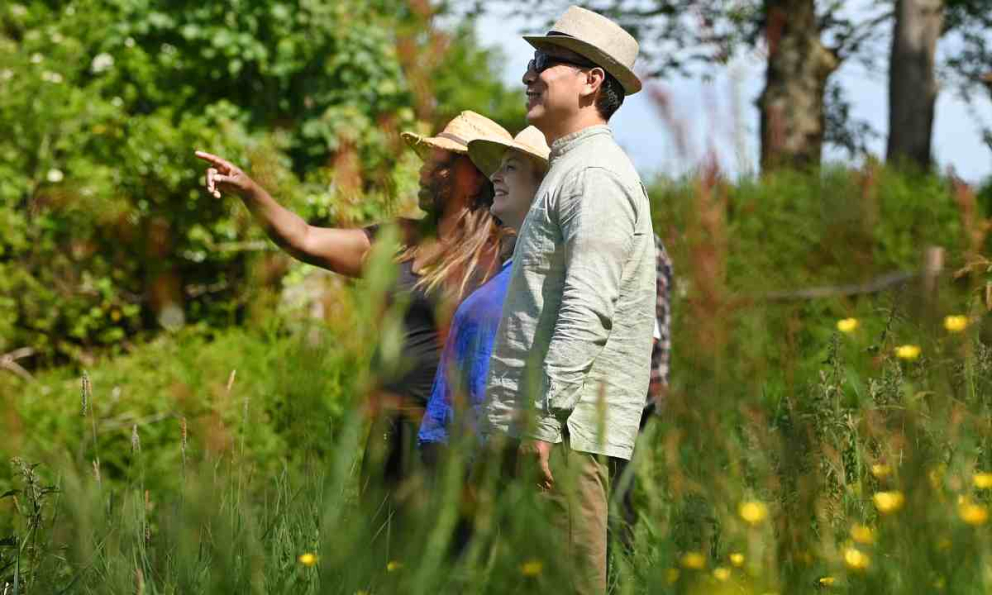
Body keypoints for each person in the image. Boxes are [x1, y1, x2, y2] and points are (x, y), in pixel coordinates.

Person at [193, 110, 513, 510]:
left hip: (454, 438)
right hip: (389, 433)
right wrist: (248, 190)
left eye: (440, 164)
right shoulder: (401, 240)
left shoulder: (503, 253)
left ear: (474, 177)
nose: (424, 172)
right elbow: (304, 238)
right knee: (380, 545)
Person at [481, 6, 655, 594]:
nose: (529, 74)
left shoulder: (595, 175)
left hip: (563, 436)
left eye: (545, 61)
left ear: (591, 81)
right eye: (532, 60)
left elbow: (587, 308)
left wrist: (542, 421)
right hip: (544, 432)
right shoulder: (571, 169)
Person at [417, 126, 551, 463]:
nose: (495, 177)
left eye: (511, 167)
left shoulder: (548, 272)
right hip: (463, 457)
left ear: (544, 185)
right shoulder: (512, 267)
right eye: (497, 167)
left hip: (504, 457)